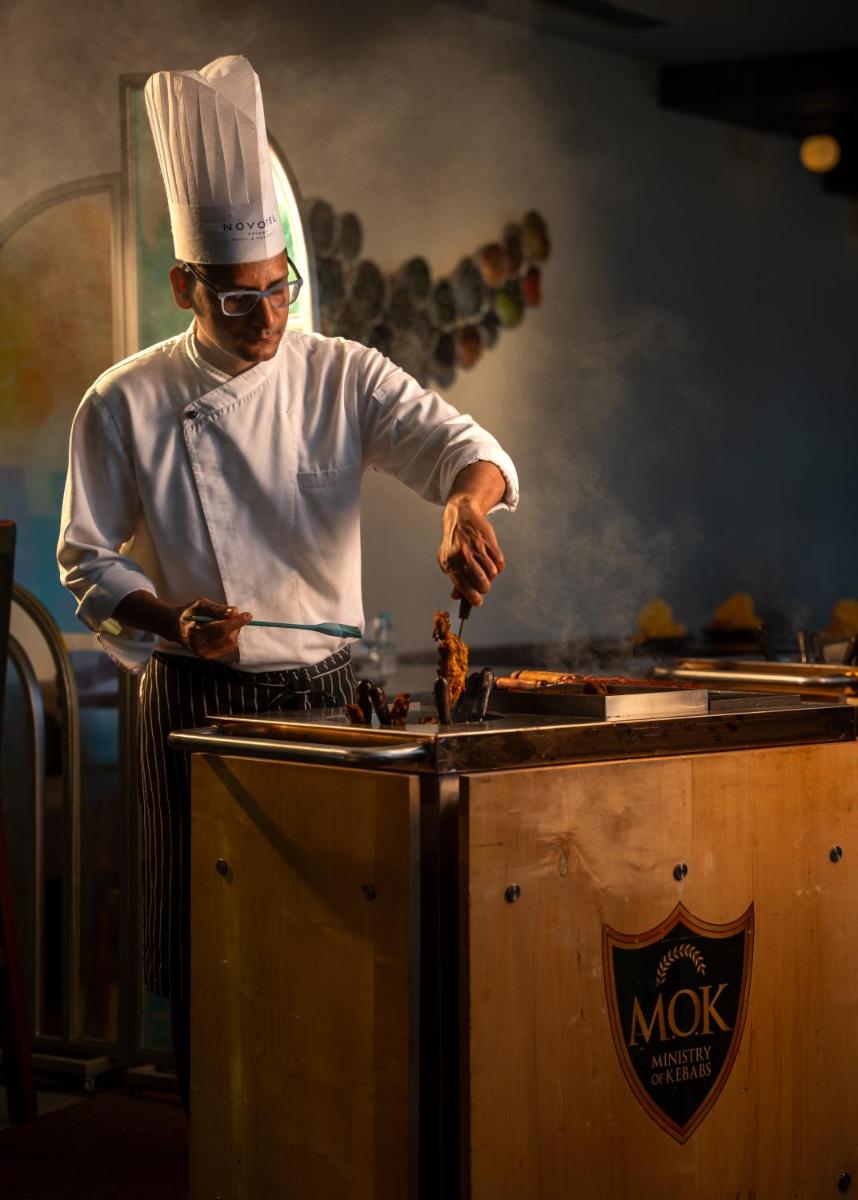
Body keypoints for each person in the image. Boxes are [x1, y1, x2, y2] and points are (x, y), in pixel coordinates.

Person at [57, 55, 518, 1115]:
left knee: (337, 937)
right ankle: (214, 1142)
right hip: (194, 703)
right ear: (185, 285)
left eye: (279, 288)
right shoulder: (123, 402)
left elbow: (465, 446)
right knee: (209, 952)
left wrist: (466, 504)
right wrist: (173, 617)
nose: (266, 316)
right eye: (237, 296)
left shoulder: (340, 372)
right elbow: (85, 558)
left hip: (329, 700)